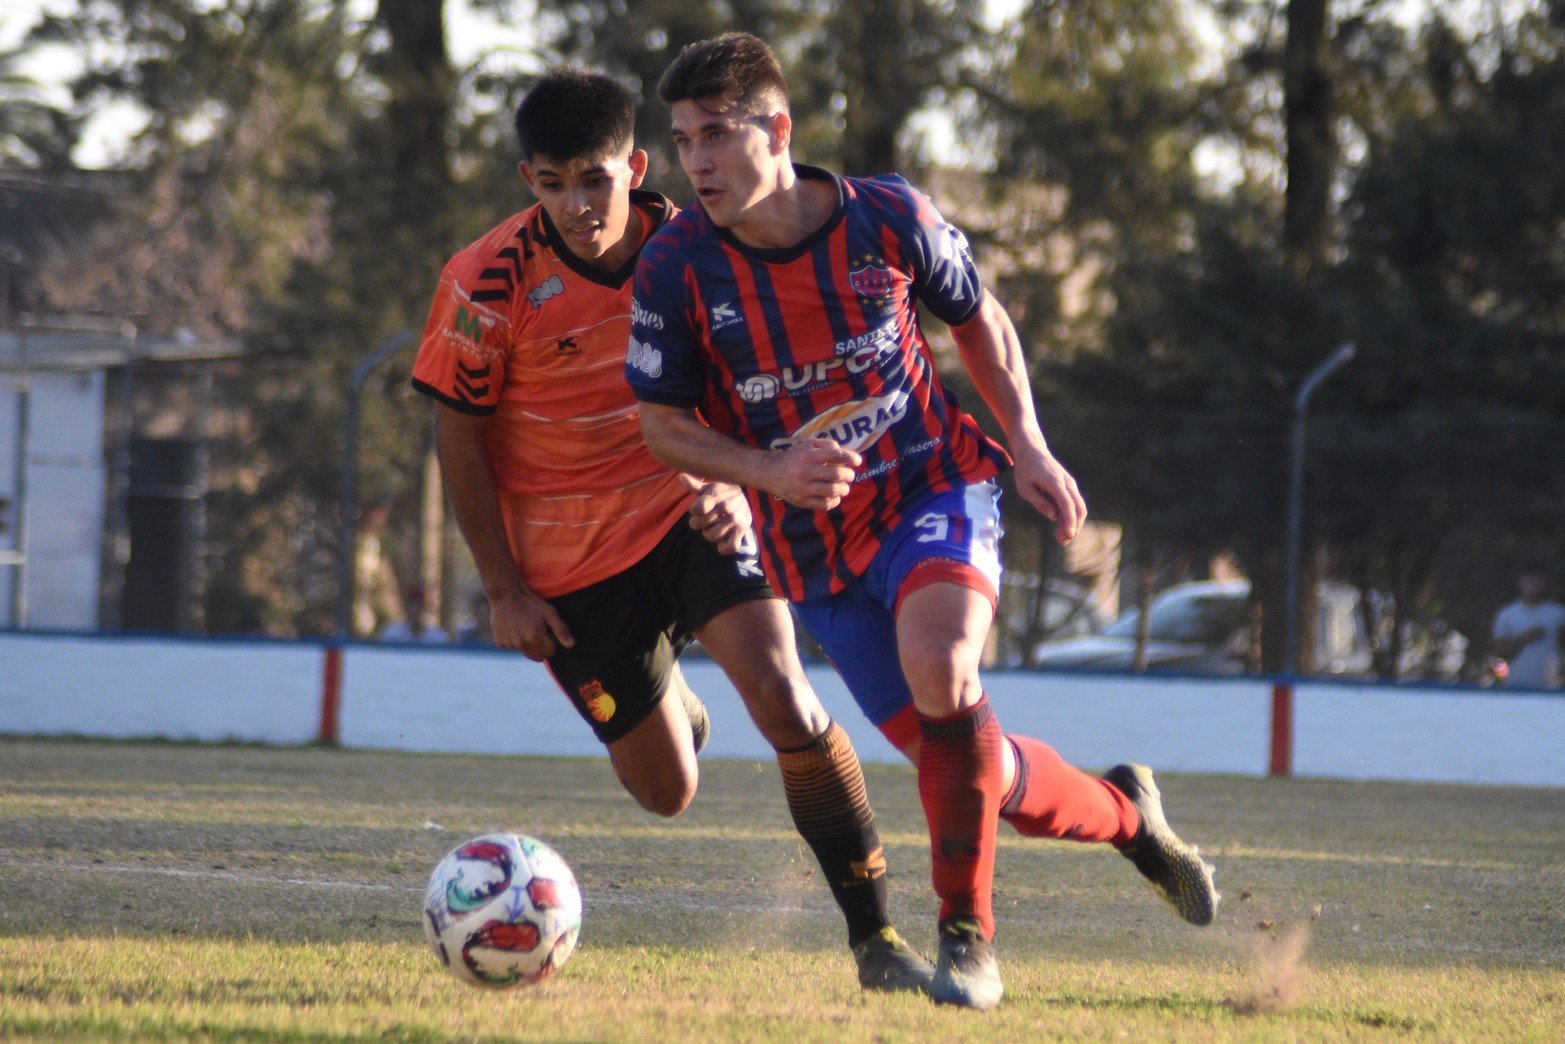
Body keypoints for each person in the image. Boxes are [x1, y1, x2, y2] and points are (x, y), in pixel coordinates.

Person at [628, 33, 1219, 1010]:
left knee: (945, 673)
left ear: (775, 129)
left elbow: (977, 319)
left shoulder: (886, 215)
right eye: (684, 139)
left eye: (717, 135)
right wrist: (765, 468)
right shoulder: (676, 267)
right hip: (810, 550)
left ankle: (967, 940)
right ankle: (1126, 814)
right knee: (977, 774)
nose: (696, 162)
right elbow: (661, 425)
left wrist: (1025, 444)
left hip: (930, 488)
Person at [409, 68, 930, 993]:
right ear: (529, 180)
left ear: (634, 166)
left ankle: (876, 939)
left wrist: (745, 480)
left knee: (783, 698)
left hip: (691, 512)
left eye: (594, 179)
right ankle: (675, 705)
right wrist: (503, 590)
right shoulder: (483, 284)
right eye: (551, 183)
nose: (576, 205)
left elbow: (766, 365)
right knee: (666, 793)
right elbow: (457, 434)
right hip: (568, 565)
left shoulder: (697, 248)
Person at [1491, 570, 1565, 689]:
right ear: (1521, 583)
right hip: (1515, 685)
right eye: (1529, 580)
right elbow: (1499, 653)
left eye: (1537, 580)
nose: (1533, 585)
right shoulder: (1507, 614)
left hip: (1553, 687)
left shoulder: (1558, 614)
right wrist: (1524, 638)